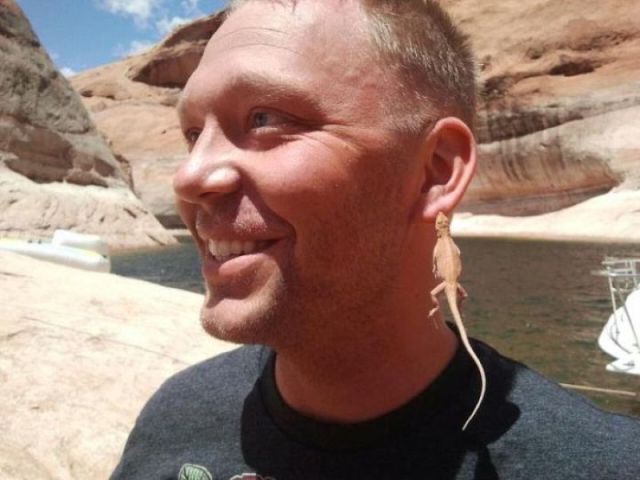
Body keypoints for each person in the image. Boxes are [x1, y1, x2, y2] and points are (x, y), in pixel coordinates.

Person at [111, 1, 640, 479]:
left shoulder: (605, 466)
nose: (188, 177)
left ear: (435, 170)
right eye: (192, 135)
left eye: (264, 118)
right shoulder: (174, 417)